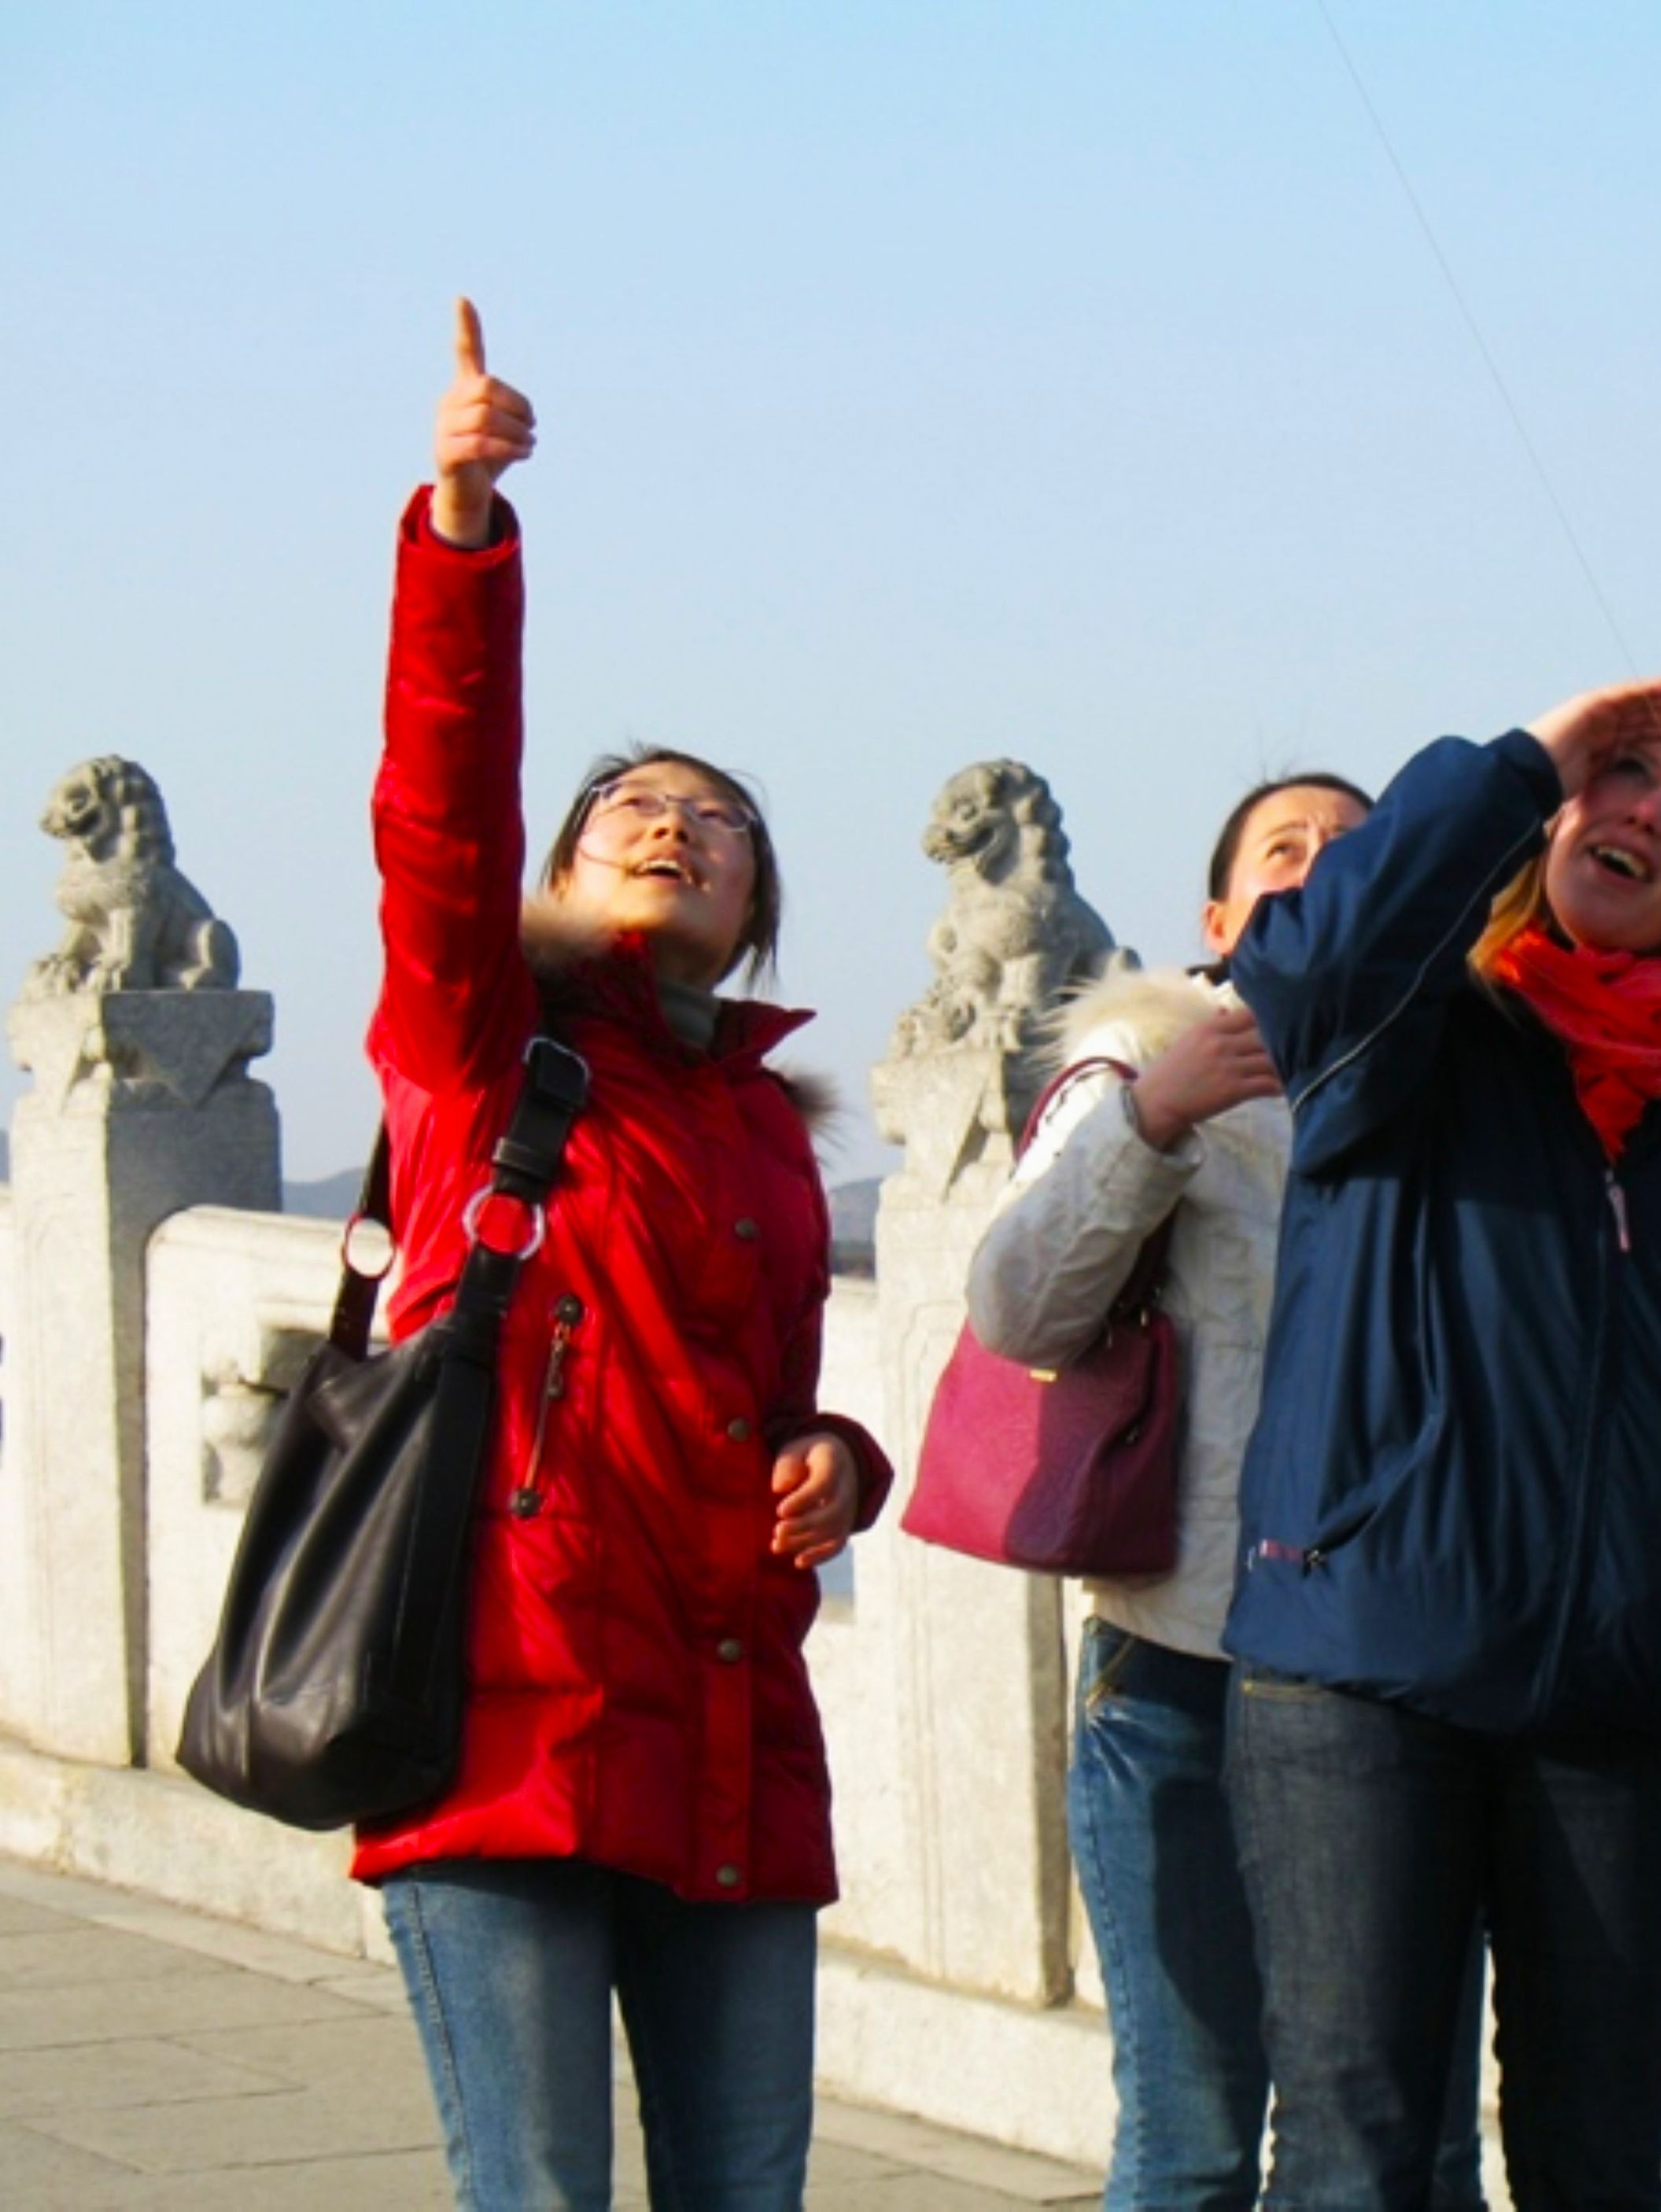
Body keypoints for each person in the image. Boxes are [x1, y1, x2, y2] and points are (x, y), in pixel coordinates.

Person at [1222, 676, 1661, 2207]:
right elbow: (1311, 951)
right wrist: (1525, 750)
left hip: (1631, 1699)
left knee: (1599, 2164)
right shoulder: (1403, 1033)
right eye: (1625, 775)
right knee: (1356, 2156)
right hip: (1357, 1663)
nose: (1648, 813)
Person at [355, 300, 891, 2209]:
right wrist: (465, 534)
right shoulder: (479, 1042)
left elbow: (763, 1401)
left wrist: (842, 1459)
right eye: (632, 810)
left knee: (746, 2192)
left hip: (733, 1718)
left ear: (754, 913)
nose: (676, 826)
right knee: (544, 2193)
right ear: (564, 875)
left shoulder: (759, 1116)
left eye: (720, 824)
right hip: (511, 1709)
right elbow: (436, 806)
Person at [963, 774, 1486, 2210]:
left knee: (1424, 2144)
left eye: (1355, 846)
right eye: (1285, 848)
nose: (1322, 865)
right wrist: (1154, 1120)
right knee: (1193, 2137)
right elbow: (1014, 1309)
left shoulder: (1460, 1071)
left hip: (1403, 1674)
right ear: (1217, 915)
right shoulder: (1137, 1059)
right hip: (1184, 1665)